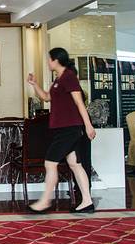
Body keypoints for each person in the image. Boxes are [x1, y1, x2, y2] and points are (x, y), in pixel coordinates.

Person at [26, 47, 96, 214]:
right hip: (63, 129)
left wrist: (88, 125)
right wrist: (34, 84)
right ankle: (87, 201)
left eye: (49, 59)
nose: (48, 62)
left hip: (69, 129)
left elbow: (79, 102)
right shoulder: (59, 79)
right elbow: (46, 97)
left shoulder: (69, 77)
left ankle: (44, 201)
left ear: (56, 60)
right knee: (75, 164)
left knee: (50, 163)